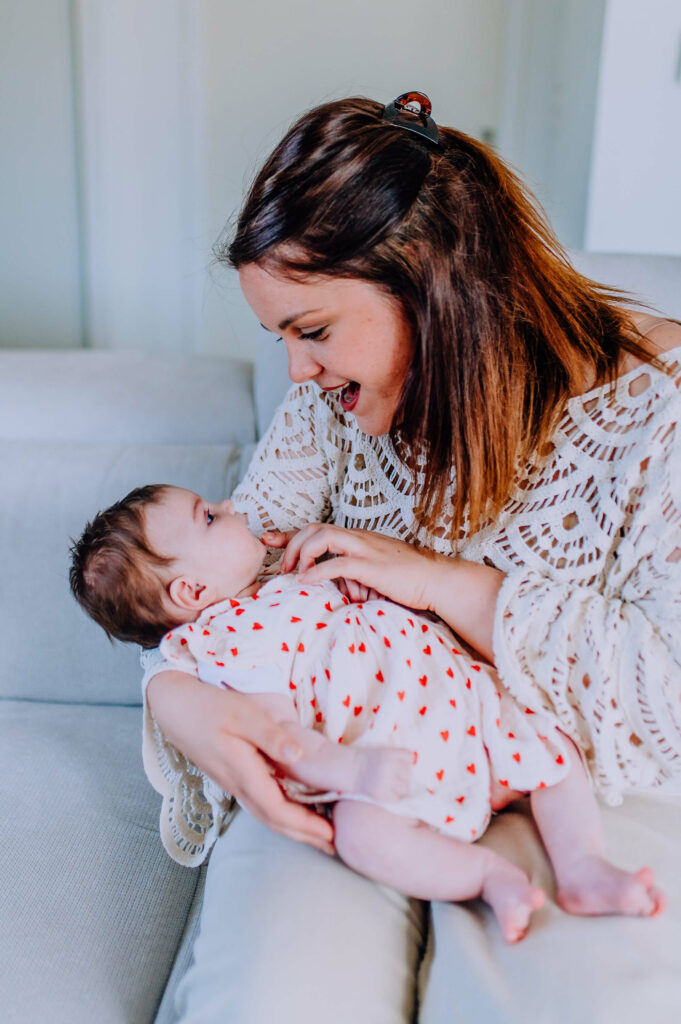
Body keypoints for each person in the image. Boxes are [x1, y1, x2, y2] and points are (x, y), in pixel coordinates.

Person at [139, 93, 681, 1021]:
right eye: (279, 339)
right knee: (271, 999)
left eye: (312, 331)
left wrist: (437, 583)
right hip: (355, 765)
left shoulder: (657, 415)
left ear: (434, 285)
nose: (296, 373)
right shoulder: (331, 405)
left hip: (569, 783)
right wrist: (173, 699)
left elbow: (665, 693)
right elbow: (212, 581)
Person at [70, 483, 665, 945]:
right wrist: (355, 772)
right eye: (208, 516)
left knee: (555, 742)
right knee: (362, 834)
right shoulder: (231, 646)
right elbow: (283, 738)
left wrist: (362, 591)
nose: (230, 504)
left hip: (458, 698)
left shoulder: (277, 578)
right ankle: (487, 877)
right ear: (192, 594)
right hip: (388, 748)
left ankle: (583, 867)